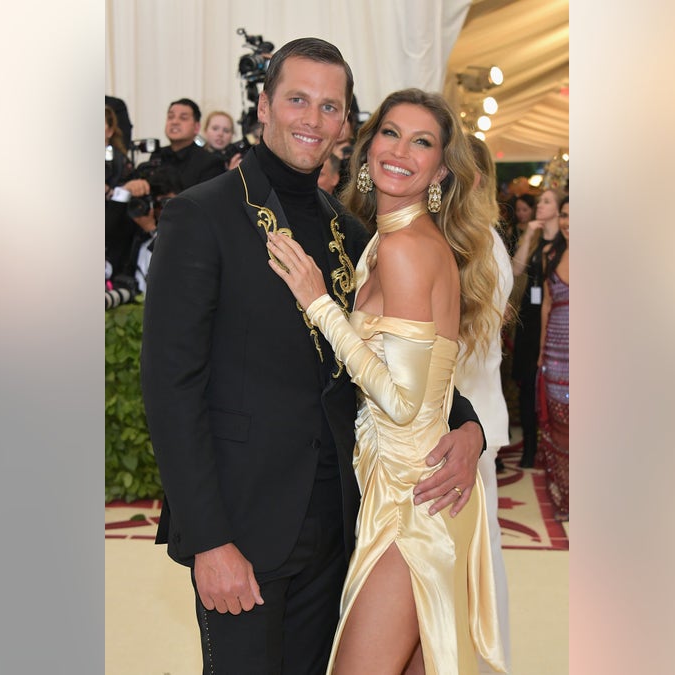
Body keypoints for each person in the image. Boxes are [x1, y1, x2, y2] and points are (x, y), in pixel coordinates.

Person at [141, 38, 486, 674]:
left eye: (331, 106)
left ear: (344, 124)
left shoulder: (350, 231)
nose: (312, 118)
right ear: (264, 106)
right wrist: (209, 539)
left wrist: (470, 427)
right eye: (297, 99)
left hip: (342, 525)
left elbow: (409, 356)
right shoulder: (201, 216)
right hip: (242, 529)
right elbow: (170, 389)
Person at [267, 88, 505, 674]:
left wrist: (320, 304)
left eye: (421, 141)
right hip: (408, 486)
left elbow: (400, 403)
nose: (400, 150)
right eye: (390, 133)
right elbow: (432, 385)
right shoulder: (391, 239)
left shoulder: (402, 249)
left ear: (442, 170)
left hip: (411, 500)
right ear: (368, 145)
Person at [462, 135, 513, 673]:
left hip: (467, 425)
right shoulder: (478, 239)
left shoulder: (482, 246)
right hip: (469, 421)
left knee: (477, 562)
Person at [509, 189, 562, 468]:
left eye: (546, 202)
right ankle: (531, 448)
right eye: (539, 201)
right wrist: (529, 234)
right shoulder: (535, 241)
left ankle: (556, 449)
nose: (540, 206)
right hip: (529, 322)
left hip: (556, 322)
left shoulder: (565, 246)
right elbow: (516, 271)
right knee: (528, 386)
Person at [538, 194, 569, 520]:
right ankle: (567, 497)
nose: (568, 222)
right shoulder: (551, 254)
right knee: (560, 426)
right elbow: (546, 305)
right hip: (556, 355)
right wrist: (540, 353)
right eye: (564, 215)